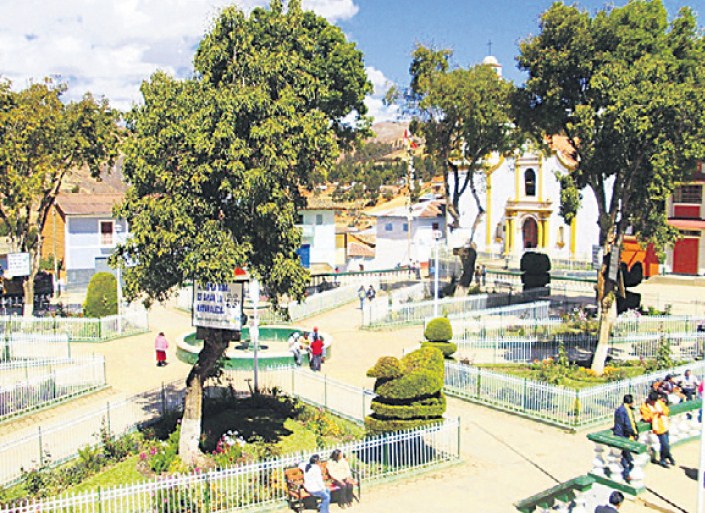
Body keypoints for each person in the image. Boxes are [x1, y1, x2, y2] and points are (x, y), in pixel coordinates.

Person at [640, 391, 674, 468]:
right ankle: (663, 458)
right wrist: (655, 414)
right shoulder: (644, 406)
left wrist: (662, 412)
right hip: (658, 427)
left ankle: (667, 456)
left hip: (665, 424)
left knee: (666, 443)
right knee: (664, 444)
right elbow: (646, 417)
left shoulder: (659, 403)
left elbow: (666, 410)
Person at [612, 394, 638, 482]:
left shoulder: (620, 409)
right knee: (627, 456)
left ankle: (626, 473)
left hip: (620, 434)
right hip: (623, 435)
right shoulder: (624, 411)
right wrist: (633, 433)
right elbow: (627, 424)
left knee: (625, 455)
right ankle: (626, 474)